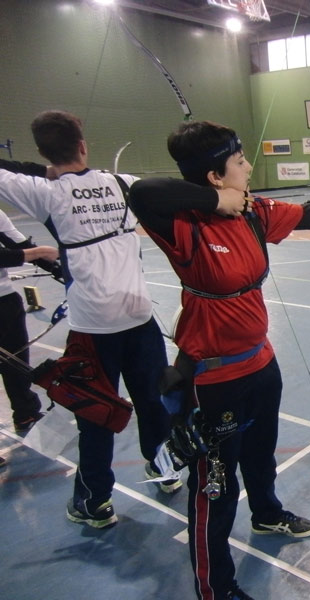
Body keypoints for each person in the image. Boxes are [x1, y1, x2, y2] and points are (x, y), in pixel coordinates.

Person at [128, 119, 310, 600]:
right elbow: (143, 192)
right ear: (215, 178)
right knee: (215, 489)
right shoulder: (185, 223)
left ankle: (266, 513)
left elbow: (307, 214)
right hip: (213, 376)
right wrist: (211, 203)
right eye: (239, 163)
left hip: (261, 362)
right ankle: (215, 587)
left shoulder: (253, 212)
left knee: (261, 454)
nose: (249, 168)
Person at [0, 110, 180, 531]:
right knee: (153, 401)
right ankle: (164, 467)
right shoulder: (124, 184)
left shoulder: (43, 192)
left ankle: (95, 501)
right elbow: (174, 193)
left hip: (93, 329)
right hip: (139, 318)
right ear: (83, 145)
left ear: (45, 153)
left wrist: (40, 168)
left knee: (95, 414)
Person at [0, 206, 61, 433]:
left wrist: (57, 267)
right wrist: (36, 253)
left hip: (5, 299)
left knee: (17, 361)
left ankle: (25, 412)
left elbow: (18, 243)